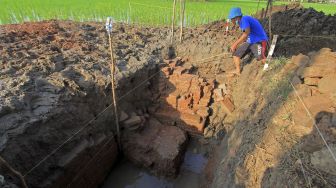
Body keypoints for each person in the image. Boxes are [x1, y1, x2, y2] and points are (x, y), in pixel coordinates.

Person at [228, 7, 268, 75]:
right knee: (236, 55)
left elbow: (246, 34)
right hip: (250, 41)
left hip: (260, 40)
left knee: (261, 57)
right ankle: (238, 71)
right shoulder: (240, 22)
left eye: (232, 19)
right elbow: (247, 33)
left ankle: (269, 68)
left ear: (237, 17)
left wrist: (235, 45)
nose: (231, 21)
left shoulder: (244, 19)